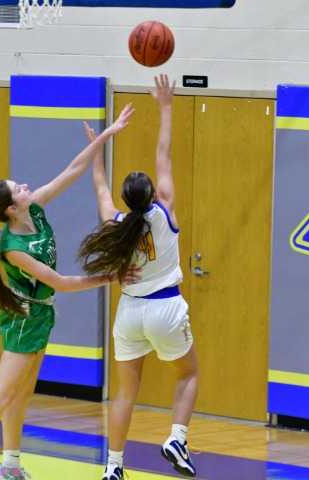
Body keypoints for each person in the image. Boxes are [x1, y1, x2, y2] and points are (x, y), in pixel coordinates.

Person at [0, 103, 136, 480]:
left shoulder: (33, 210)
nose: (26, 186)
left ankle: (10, 465)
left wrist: (104, 137)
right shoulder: (12, 247)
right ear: (10, 208)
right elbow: (61, 282)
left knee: (21, 394)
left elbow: (72, 170)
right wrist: (110, 277)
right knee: (2, 394)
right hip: (22, 317)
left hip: (40, 313)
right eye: (18, 188)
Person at [78, 74, 199, 480]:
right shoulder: (164, 209)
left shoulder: (114, 224)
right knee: (189, 374)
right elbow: (163, 154)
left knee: (125, 394)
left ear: (126, 200)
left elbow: (99, 186)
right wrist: (165, 107)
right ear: (153, 194)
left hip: (129, 313)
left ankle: (113, 466)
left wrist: (97, 146)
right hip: (165, 306)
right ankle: (176, 438)